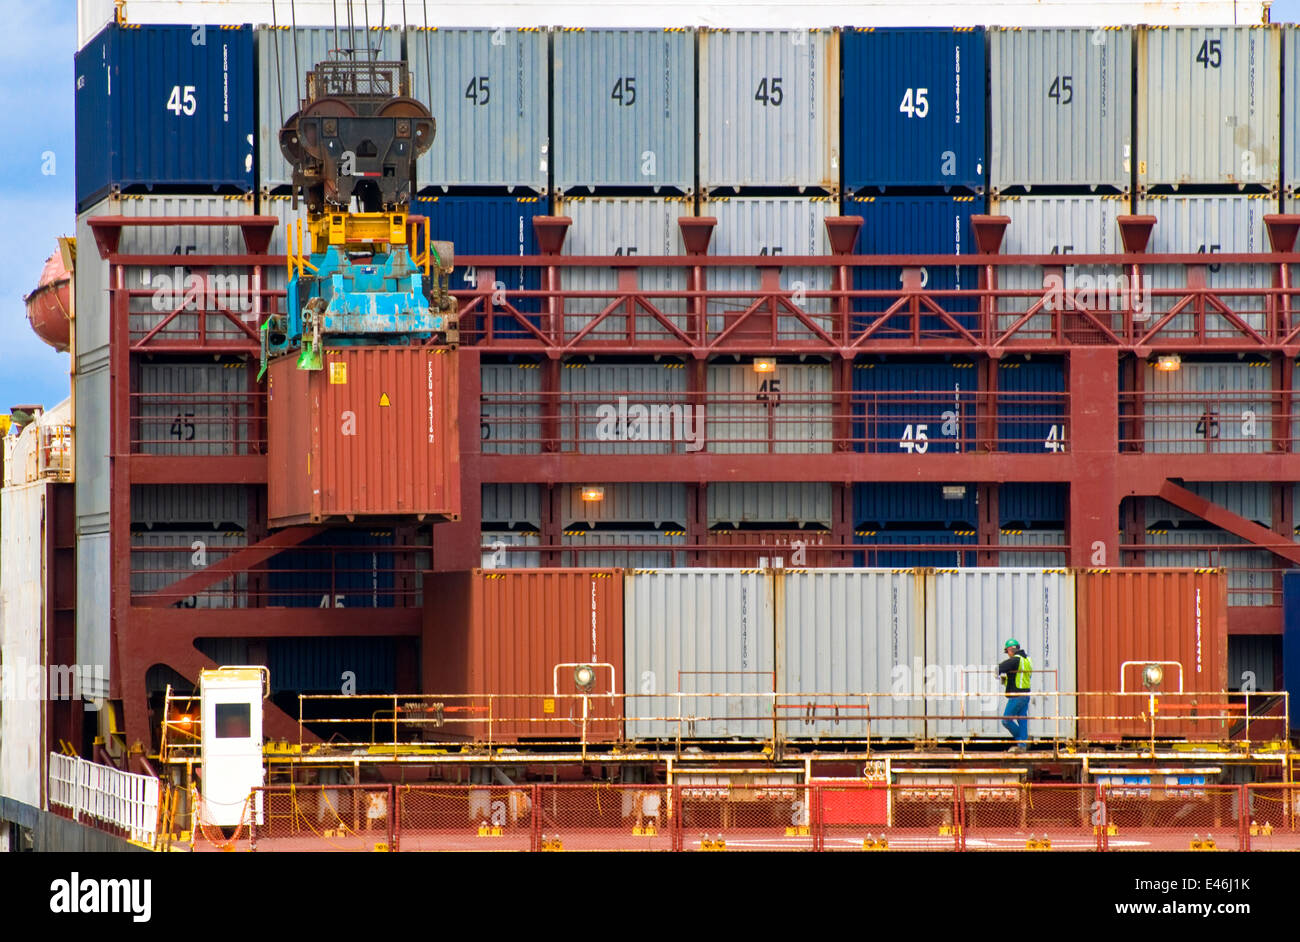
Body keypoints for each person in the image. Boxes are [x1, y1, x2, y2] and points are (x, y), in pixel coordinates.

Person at [997, 639, 1033, 751]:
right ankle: (1023, 745)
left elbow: (999, 668)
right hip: (1026, 695)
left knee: (1006, 720)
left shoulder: (1016, 660)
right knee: (1022, 719)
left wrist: (997, 673)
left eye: (1007, 651)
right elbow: (1021, 677)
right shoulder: (1027, 660)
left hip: (1017, 696)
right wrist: (1006, 680)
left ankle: (1023, 739)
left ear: (1011, 649)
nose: (1008, 654)